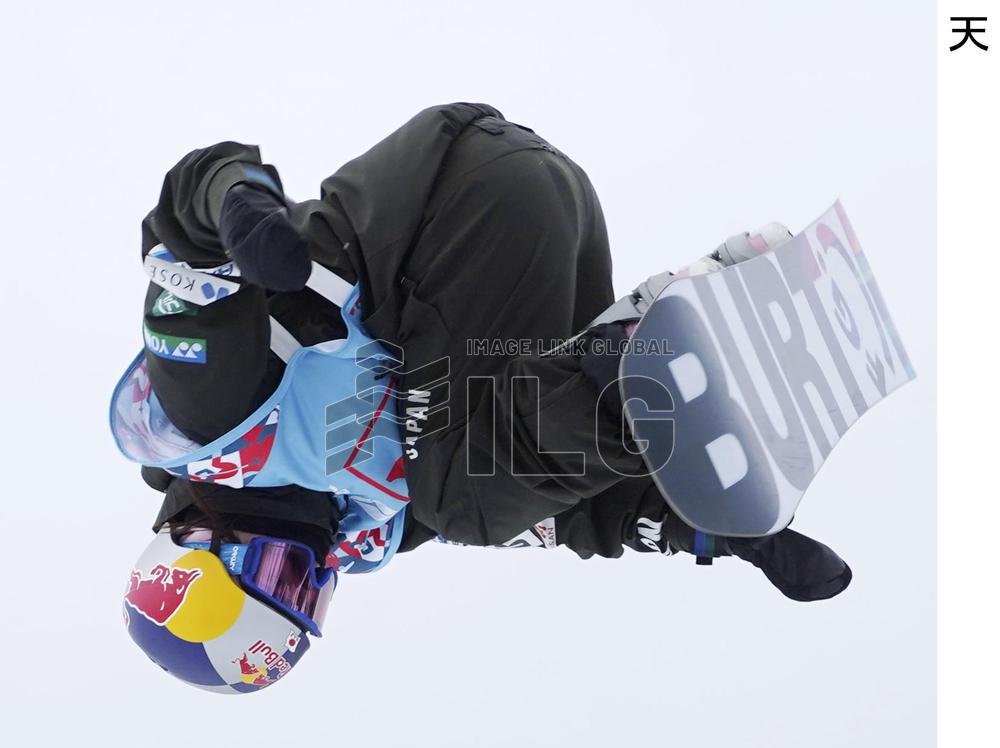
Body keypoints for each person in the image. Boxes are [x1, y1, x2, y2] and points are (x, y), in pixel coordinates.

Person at [111, 102, 852, 694]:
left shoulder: (203, 416)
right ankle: (676, 340)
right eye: (308, 597)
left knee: (467, 504)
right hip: (542, 219)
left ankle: (639, 366)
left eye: (278, 577)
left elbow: (186, 214)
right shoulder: (373, 517)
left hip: (442, 206)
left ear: (196, 542)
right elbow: (563, 510)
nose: (315, 568)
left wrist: (240, 201)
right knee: (480, 500)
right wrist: (714, 526)